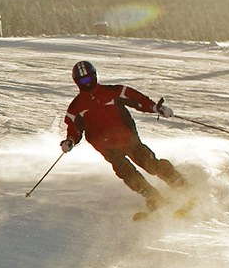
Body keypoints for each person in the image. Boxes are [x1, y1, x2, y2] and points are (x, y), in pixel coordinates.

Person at [60, 61, 186, 211]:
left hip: (128, 138)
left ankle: (177, 181)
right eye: (82, 81)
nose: (87, 84)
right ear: (77, 82)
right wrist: (70, 141)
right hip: (107, 148)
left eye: (88, 79)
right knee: (125, 171)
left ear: (94, 76)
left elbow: (138, 100)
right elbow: (74, 129)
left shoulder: (113, 92)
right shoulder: (76, 107)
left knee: (148, 163)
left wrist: (156, 108)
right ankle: (152, 196)